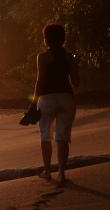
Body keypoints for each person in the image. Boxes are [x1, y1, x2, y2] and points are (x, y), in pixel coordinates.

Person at [30, 24, 80, 186]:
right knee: (62, 137)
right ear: (63, 38)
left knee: (46, 136)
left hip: (47, 99)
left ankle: (47, 171)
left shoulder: (42, 57)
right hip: (66, 98)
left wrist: (33, 102)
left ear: (46, 39)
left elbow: (40, 81)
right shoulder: (70, 57)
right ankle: (62, 174)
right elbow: (76, 82)